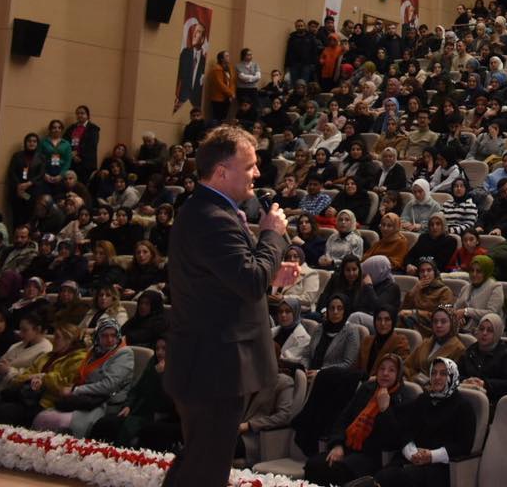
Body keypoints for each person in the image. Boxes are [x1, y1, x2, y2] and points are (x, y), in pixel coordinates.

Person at [162, 126, 292, 487]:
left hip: (208, 364)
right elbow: (249, 281)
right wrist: (271, 234)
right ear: (222, 171)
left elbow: (229, 280)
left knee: (199, 460)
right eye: (249, 166)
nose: (257, 174)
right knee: (206, 470)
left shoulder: (207, 210)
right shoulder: (212, 218)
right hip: (214, 366)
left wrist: (271, 275)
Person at [303, 353, 415, 485]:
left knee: (335, 470)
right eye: (382, 369)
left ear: (398, 374)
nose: (385, 373)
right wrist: (338, 445)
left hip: (374, 455)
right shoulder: (367, 388)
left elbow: (394, 439)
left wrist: (385, 409)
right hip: (349, 446)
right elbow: (344, 419)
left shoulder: (404, 397)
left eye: (391, 370)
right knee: (313, 464)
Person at [373, 356, 475, 487]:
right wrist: (412, 454)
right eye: (433, 373)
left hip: (440, 466)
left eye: (443, 374)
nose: (437, 377)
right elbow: (406, 430)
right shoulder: (423, 399)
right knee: (381, 477)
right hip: (412, 459)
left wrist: (431, 455)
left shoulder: (463, 406)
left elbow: (464, 445)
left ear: (453, 376)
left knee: (397, 479)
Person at [456, 313, 507, 404]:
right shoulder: (470, 351)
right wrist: (465, 381)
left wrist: (485, 384)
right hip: (466, 398)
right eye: (481, 329)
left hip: (493, 402)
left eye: (489, 330)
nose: (484, 333)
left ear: (497, 333)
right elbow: (456, 375)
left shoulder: (506, 355)